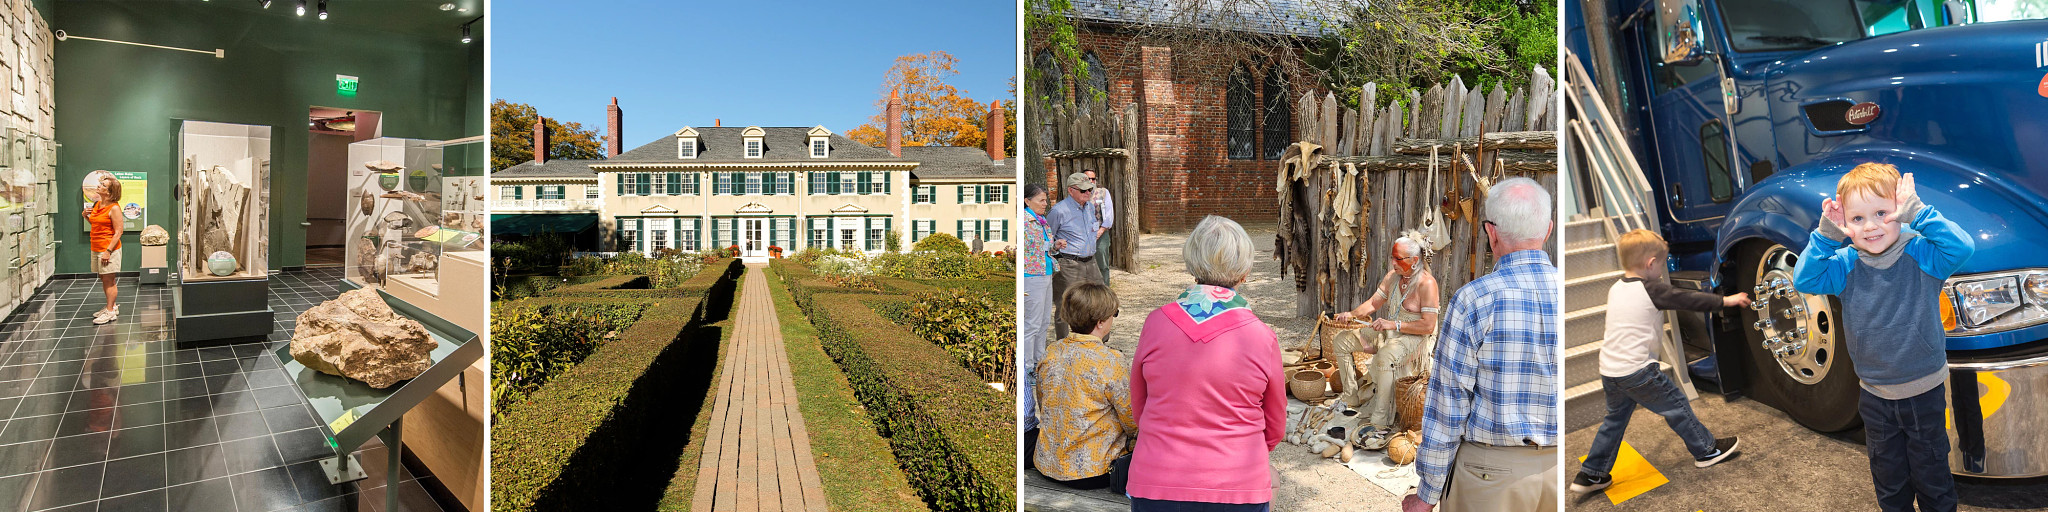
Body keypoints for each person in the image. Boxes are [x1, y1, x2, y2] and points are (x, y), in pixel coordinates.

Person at [1792, 163, 1971, 512]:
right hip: (1874, 396)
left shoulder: (1921, 254)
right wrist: (1826, 235)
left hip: (1923, 392)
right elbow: (1804, 280)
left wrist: (1919, 214)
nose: (1871, 226)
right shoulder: (1844, 263)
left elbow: (1961, 248)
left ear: (1900, 212)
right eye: (1857, 219)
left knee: (1933, 480)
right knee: (1889, 483)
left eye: (1881, 213)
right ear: (1845, 224)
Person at [1404, 177, 1559, 512]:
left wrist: (1427, 493)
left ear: (1491, 233)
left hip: (1491, 477)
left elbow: (1448, 405)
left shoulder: (1474, 300)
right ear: (1548, 231)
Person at [1571, 229, 1751, 494]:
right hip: (1637, 370)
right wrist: (1725, 300)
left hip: (1610, 370)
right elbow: (1686, 299)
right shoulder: (1651, 288)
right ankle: (1707, 450)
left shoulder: (1616, 287)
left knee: (1614, 421)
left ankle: (1591, 474)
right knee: (1677, 406)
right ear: (1651, 264)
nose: (1663, 267)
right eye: (1663, 262)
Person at [1127, 215, 1284, 511]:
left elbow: (1140, 405)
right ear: (1245, 272)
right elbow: (1274, 425)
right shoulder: (1261, 336)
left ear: (1192, 264)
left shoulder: (1156, 323)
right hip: (1237, 482)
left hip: (1157, 479)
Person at [1031, 282, 1136, 492]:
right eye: (1114, 314)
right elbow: (1132, 418)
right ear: (1100, 322)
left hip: (1047, 462)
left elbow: (1045, 404)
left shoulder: (1051, 352)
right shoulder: (1110, 360)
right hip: (1092, 471)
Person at [1332, 236, 1439, 427]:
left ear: (1414, 261)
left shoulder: (1427, 284)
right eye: (1393, 258)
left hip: (1415, 338)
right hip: (1391, 333)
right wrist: (1351, 314)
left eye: (1398, 259)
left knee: (1385, 355)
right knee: (1342, 340)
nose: (1393, 263)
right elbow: (1374, 303)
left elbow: (1428, 326)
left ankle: (1380, 419)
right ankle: (1351, 397)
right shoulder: (1393, 277)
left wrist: (1394, 325)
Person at [1020, 183, 1058, 445]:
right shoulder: (1024, 222)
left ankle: (1038, 361)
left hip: (1045, 271)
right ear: (1028, 200)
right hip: (1030, 276)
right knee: (1031, 324)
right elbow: (1027, 251)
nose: (1045, 203)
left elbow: (1044, 247)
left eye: (1046, 199)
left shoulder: (1040, 220)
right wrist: (1048, 245)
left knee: (1044, 321)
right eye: (1042, 199)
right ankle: (1026, 367)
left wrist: (1054, 244)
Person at [1048, 172, 1102, 338]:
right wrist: (1056, 247)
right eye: (1083, 190)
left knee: (1099, 300)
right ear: (1071, 191)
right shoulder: (1059, 211)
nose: (1088, 193)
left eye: (1090, 190)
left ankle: (1097, 343)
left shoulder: (1090, 207)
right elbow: (1049, 239)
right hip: (1069, 264)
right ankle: (1063, 345)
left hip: (1091, 262)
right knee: (1067, 305)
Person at [84, 172, 123, 325]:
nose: (99, 186)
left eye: (103, 185)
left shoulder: (114, 208)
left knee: (109, 279)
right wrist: (85, 216)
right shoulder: (98, 204)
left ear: (109, 192)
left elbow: (119, 231)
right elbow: (96, 225)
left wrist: (108, 251)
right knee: (104, 278)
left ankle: (110, 311)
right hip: (97, 246)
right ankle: (111, 306)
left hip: (108, 249)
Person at [1084, 169, 1115, 281]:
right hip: (1083, 235)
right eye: (1088, 178)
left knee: (1102, 265)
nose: (1091, 181)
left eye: (1093, 178)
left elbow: (1109, 214)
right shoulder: (1079, 194)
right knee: (1084, 266)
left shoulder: (1103, 192)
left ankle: (1105, 292)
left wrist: (1100, 231)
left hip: (1101, 234)